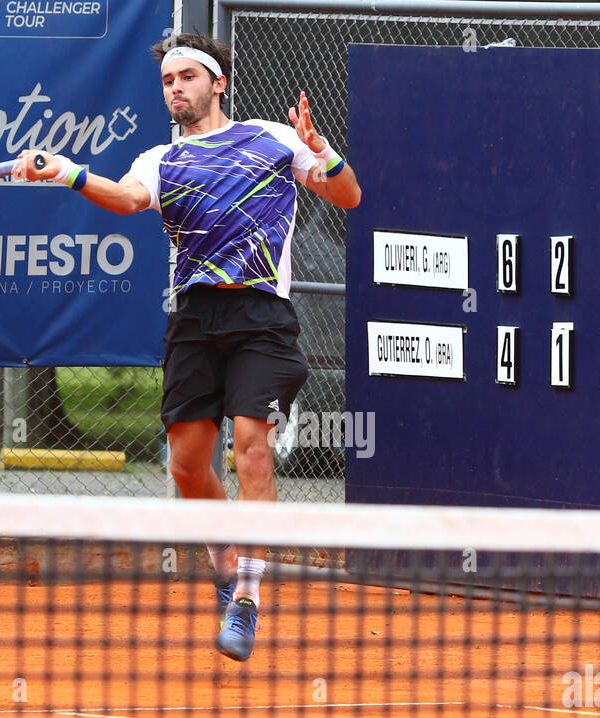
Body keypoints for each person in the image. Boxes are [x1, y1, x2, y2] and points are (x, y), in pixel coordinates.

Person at [18, 33, 361, 662]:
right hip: (194, 318)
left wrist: (324, 153)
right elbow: (126, 199)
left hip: (262, 317)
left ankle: (249, 599)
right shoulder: (158, 159)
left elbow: (348, 197)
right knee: (185, 464)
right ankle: (226, 563)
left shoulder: (272, 139)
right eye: (167, 81)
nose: (175, 88)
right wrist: (67, 171)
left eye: (186, 77)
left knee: (253, 448)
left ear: (217, 82)